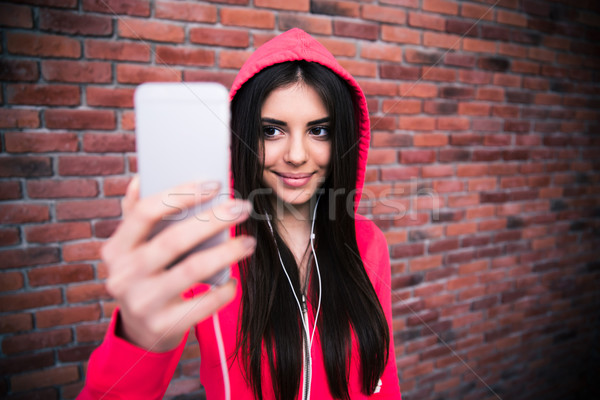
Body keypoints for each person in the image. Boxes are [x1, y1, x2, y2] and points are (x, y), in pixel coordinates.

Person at [79, 28, 401, 400]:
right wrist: (137, 337)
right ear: (243, 135)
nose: (296, 155)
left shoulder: (367, 241)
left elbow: (383, 379)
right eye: (272, 130)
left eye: (319, 130)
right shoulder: (209, 248)